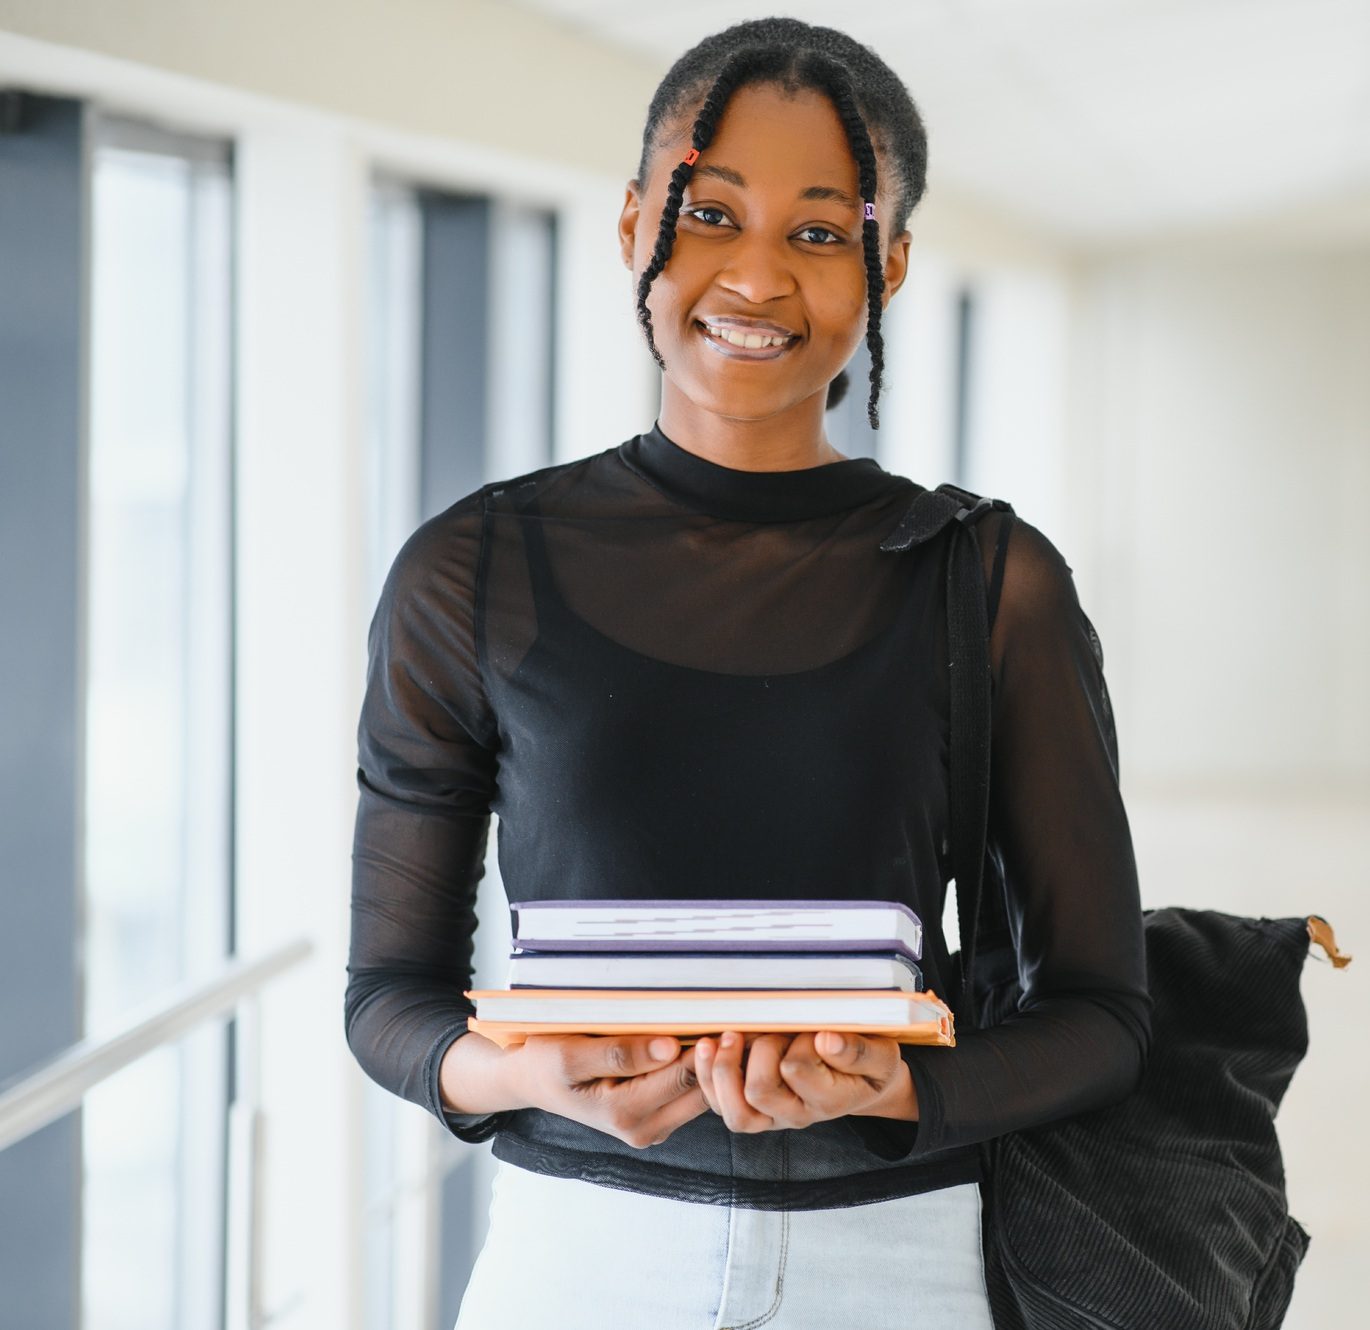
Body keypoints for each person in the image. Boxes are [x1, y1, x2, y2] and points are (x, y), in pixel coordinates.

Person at [344, 17, 1153, 1330]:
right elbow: (387, 996)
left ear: (886, 262)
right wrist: (515, 1073)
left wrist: (893, 1090)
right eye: (707, 213)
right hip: (575, 1260)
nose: (757, 276)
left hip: (900, 1263)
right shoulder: (470, 568)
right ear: (628, 227)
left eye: (820, 231)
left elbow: (1102, 1015)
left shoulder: (990, 580)